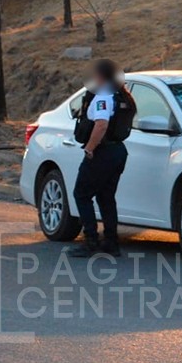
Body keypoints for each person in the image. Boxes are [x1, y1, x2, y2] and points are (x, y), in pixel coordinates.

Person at [67, 59, 137, 258]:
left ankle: (90, 240)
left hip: (102, 152)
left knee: (82, 194)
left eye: (95, 74)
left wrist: (89, 149)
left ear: (101, 76)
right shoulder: (120, 94)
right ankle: (111, 242)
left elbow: (101, 125)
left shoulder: (103, 96)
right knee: (106, 197)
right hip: (117, 152)